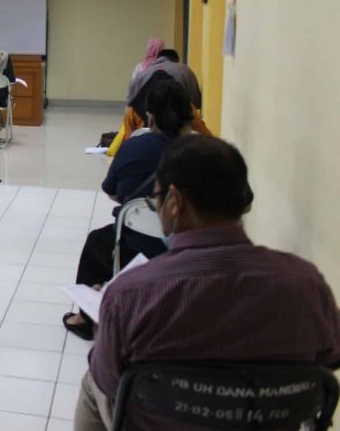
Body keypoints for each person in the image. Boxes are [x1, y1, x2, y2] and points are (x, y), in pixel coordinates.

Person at [75, 136, 340, 431]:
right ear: (244, 203)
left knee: (92, 382)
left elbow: (110, 380)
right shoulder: (306, 284)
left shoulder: (130, 294)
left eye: (156, 198)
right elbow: (329, 359)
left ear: (174, 202)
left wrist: (104, 325)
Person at [63, 79, 194, 341]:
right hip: (186, 248)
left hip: (133, 245)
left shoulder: (134, 146)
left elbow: (111, 191)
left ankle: (86, 318)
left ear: (150, 116)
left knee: (96, 242)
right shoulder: (200, 153)